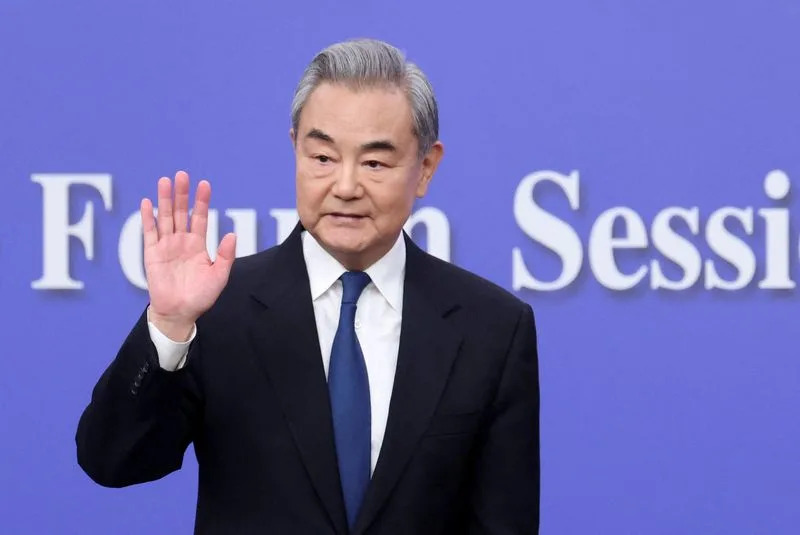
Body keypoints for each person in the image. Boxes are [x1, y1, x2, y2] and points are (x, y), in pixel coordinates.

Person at [76, 38, 540, 534]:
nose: (345, 186)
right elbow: (113, 461)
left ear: (425, 167)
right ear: (295, 147)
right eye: (322, 157)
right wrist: (169, 326)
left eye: (374, 163)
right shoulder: (218, 308)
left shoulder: (492, 328)